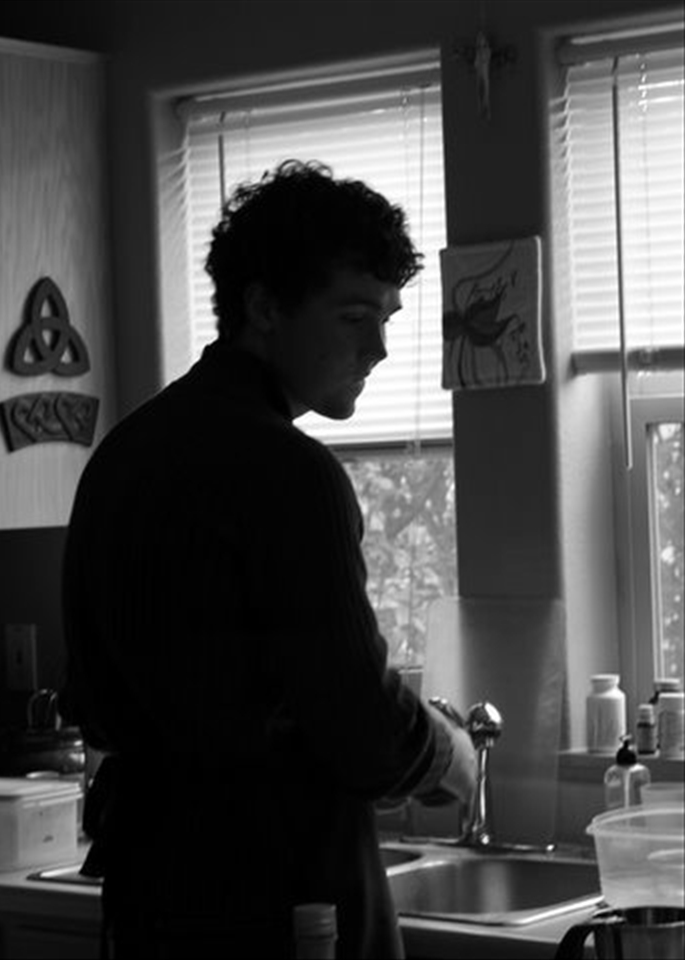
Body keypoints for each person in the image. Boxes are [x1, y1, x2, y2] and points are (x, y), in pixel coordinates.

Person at [61, 159, 477, 959]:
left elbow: (101, 691)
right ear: (262, 307)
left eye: (387, 317)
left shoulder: (123, 455)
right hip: (281, 898)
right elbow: (359, 726)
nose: (381, 347)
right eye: (355, 316)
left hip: (149, 888)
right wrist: (445, 751)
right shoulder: (289, 473)